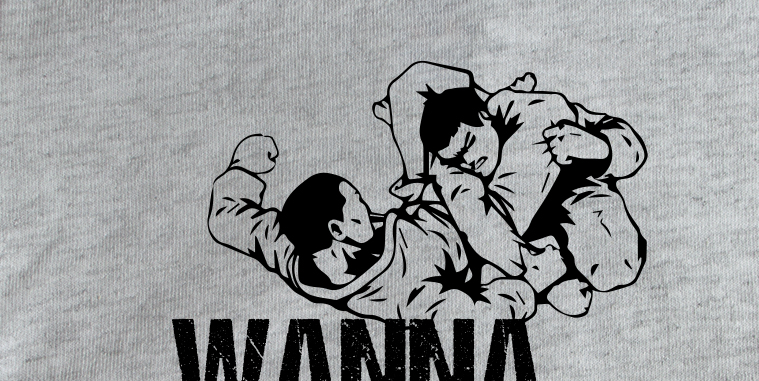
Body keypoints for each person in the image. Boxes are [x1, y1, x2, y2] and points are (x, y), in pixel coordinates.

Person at [372, 61, 647, 316]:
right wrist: (544, 275)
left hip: (572, 190)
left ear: (485, 116)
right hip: (515, 236)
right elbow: (479, 224)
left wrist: (599, 148)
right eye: (458, 159)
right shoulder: (454, 173)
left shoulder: (535, 109)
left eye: (469, 145)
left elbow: (623, 141)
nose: (469, 162)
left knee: (617, 267)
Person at [207, 133, 535, 320]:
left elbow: (230, 218)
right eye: (358, 203)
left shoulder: (297, 248)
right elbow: (479, 319)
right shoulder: (403, 290)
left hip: (444, 197)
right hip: (498, 225)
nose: (366, 208)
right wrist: (508, 282)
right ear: (337, 230)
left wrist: (244, 167)